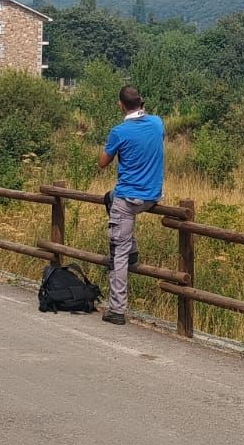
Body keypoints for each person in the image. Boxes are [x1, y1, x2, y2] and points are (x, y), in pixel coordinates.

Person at [97, 84, 165, 325]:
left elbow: (102, 163)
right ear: (141, 102)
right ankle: (133, 251)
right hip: (152, 196)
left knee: (118, 254)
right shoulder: (157, 123)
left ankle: (117, 310)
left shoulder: (119, 131)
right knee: (109, 197)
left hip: (127, 200)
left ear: (120, 105)